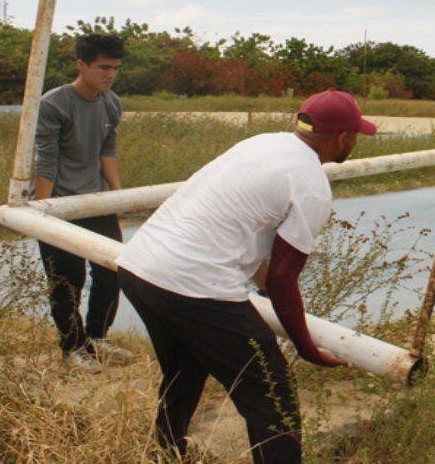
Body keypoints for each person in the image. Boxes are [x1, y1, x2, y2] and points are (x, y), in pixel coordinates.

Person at [116, 89, 376, 464]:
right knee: (272, 390)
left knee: (185, 367)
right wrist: (307, 348)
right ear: (342, 138)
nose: (355, 141)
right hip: (194, 286)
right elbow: (284, 280)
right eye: (356, 134)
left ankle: (167, 452)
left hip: (140, 267)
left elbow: (242, 232)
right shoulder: (311, 186)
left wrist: (266, 294)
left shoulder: (262, 144)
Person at [34, 33, 134, 373]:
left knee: (112, 273)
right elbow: (46, 160)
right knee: (68, 280)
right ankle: (72, 347)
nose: (110, 75)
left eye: (115, 69)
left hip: (96, 202)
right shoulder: (54, 104)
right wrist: (43, 215)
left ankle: (97, 338)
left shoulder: (111, 102)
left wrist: (118, 196)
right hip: (60, 204)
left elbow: (108, 150)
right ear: (82, 65)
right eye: (103, 68)